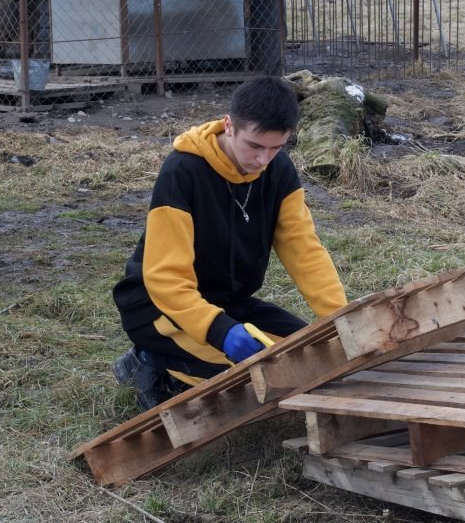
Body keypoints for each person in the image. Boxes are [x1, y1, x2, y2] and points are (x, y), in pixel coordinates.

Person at [111, 76, 347, 410]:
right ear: (229, 126)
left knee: (313, 356)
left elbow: (305, 251)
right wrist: (219, 330)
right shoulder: (182, 171)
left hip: (228, 303)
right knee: (260, 375)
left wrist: (340, 319)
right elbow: (165, 279)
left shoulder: (279, 170)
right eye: (255, 146)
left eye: (276, 148)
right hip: (159, 308)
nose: (264, 160)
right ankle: (147, 360)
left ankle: (186, 357)